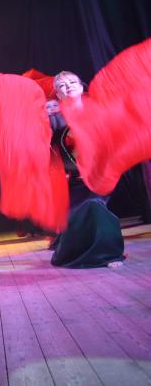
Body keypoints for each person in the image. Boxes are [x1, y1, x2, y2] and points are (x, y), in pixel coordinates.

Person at [49, 71, 124, 268]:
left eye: (72, 82)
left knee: (93, 205)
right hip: (75, 182)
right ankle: (75, 250)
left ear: (81, 87)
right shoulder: (55, 120)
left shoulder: (99, 111)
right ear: (58, 95)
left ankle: (109, 255)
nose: (68, 86)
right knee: (74, 216)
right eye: (62, 85)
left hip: (100, 177)